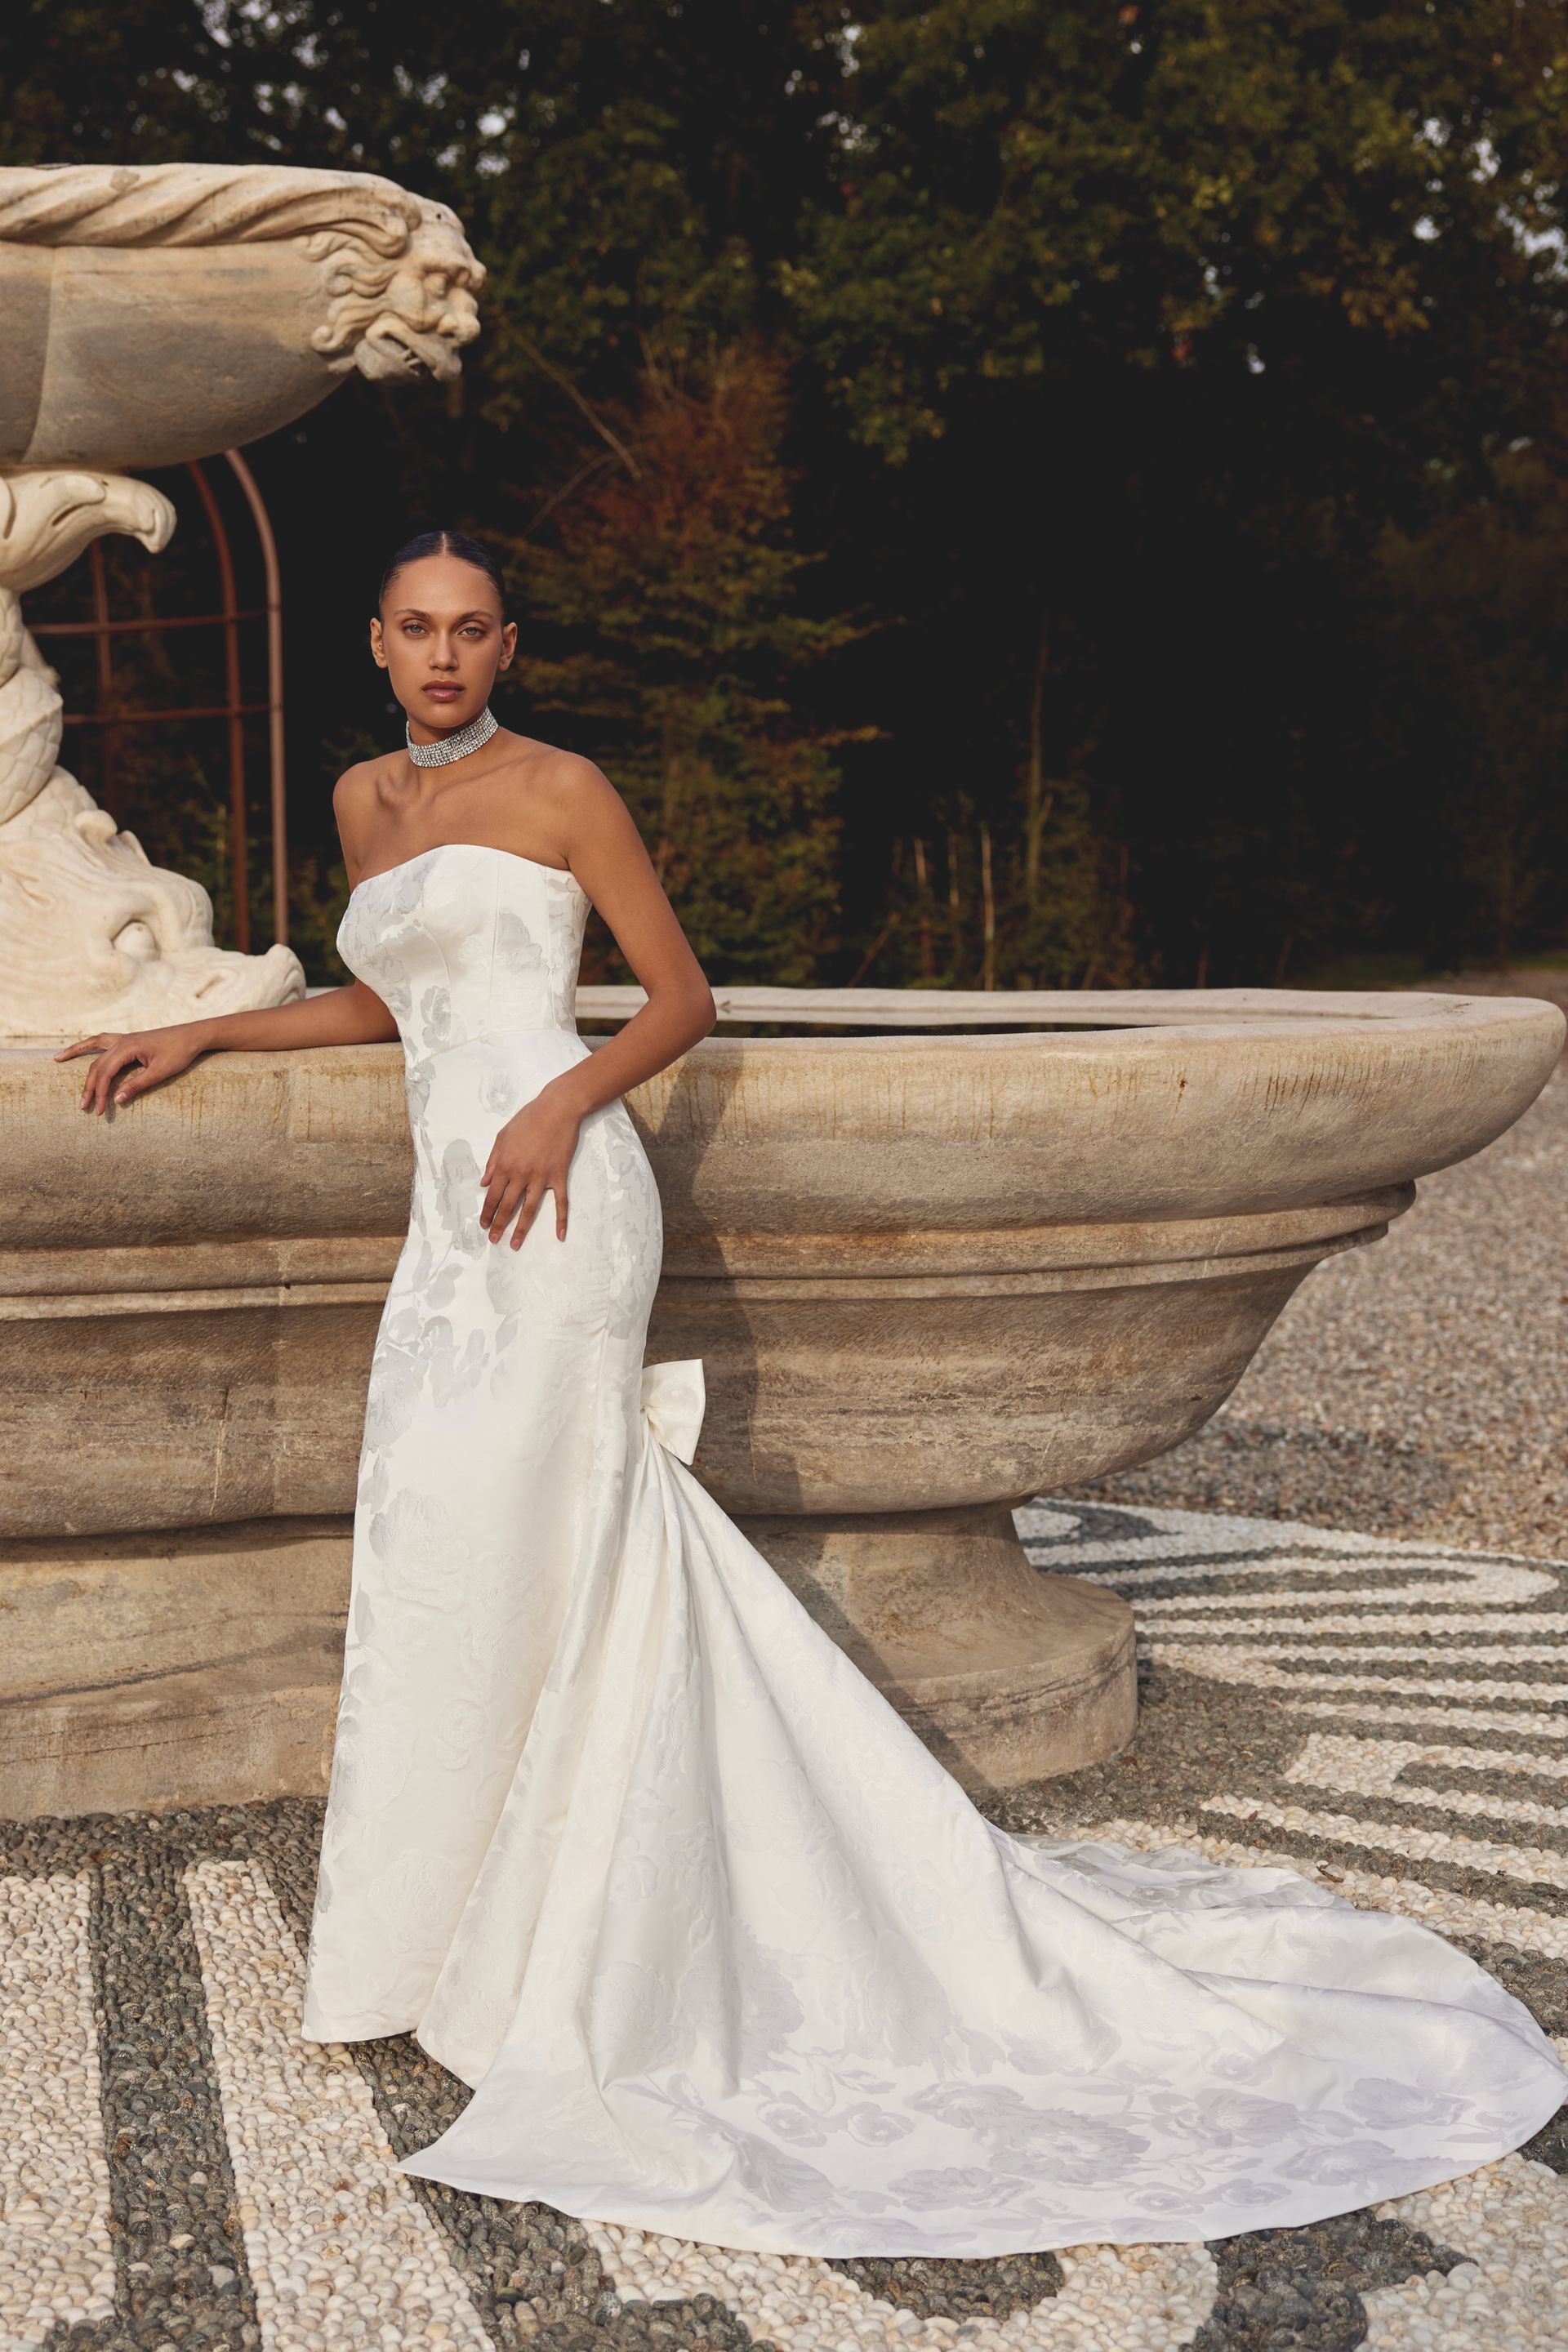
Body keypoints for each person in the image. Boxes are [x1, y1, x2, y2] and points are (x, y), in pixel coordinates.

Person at [59, 529, 1565, 2261]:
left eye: (475, 631)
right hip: (445, 1225)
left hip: (557, 1205)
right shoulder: (357, 803)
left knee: (548, 1519)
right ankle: (437, 1927)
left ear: (509, 644)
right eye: (419, 631)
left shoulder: (566, 788)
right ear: (377, 645)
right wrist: (203, 1032)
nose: (446, 656)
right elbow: (388, 1008)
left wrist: (560, 1106)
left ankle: (590, 1935)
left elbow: (676, 998)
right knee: (440, 1543)